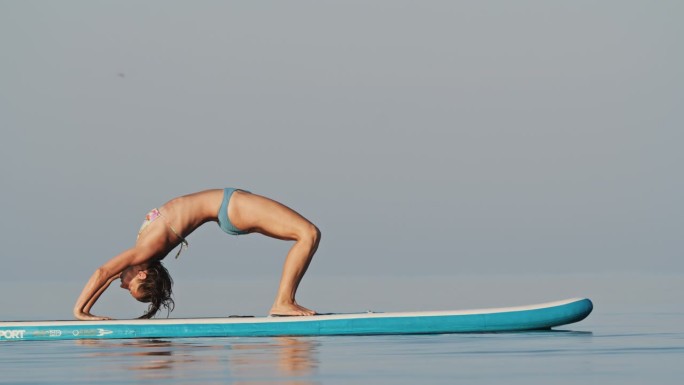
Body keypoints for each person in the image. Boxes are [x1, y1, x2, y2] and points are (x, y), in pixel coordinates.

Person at [73, 188, 320, 320]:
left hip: (229, 207)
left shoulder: (144, 251)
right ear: (141, 273)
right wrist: (82, 312)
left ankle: (284, 302)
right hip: (231, 206)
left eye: (127, 288)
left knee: (305, 234)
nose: (121, 285)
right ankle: (283, 302)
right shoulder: (146, 251)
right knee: (308, 233)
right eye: (129, 288)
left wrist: (82, 312)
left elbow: (104, 275)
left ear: (140, 273)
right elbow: (104, 274)